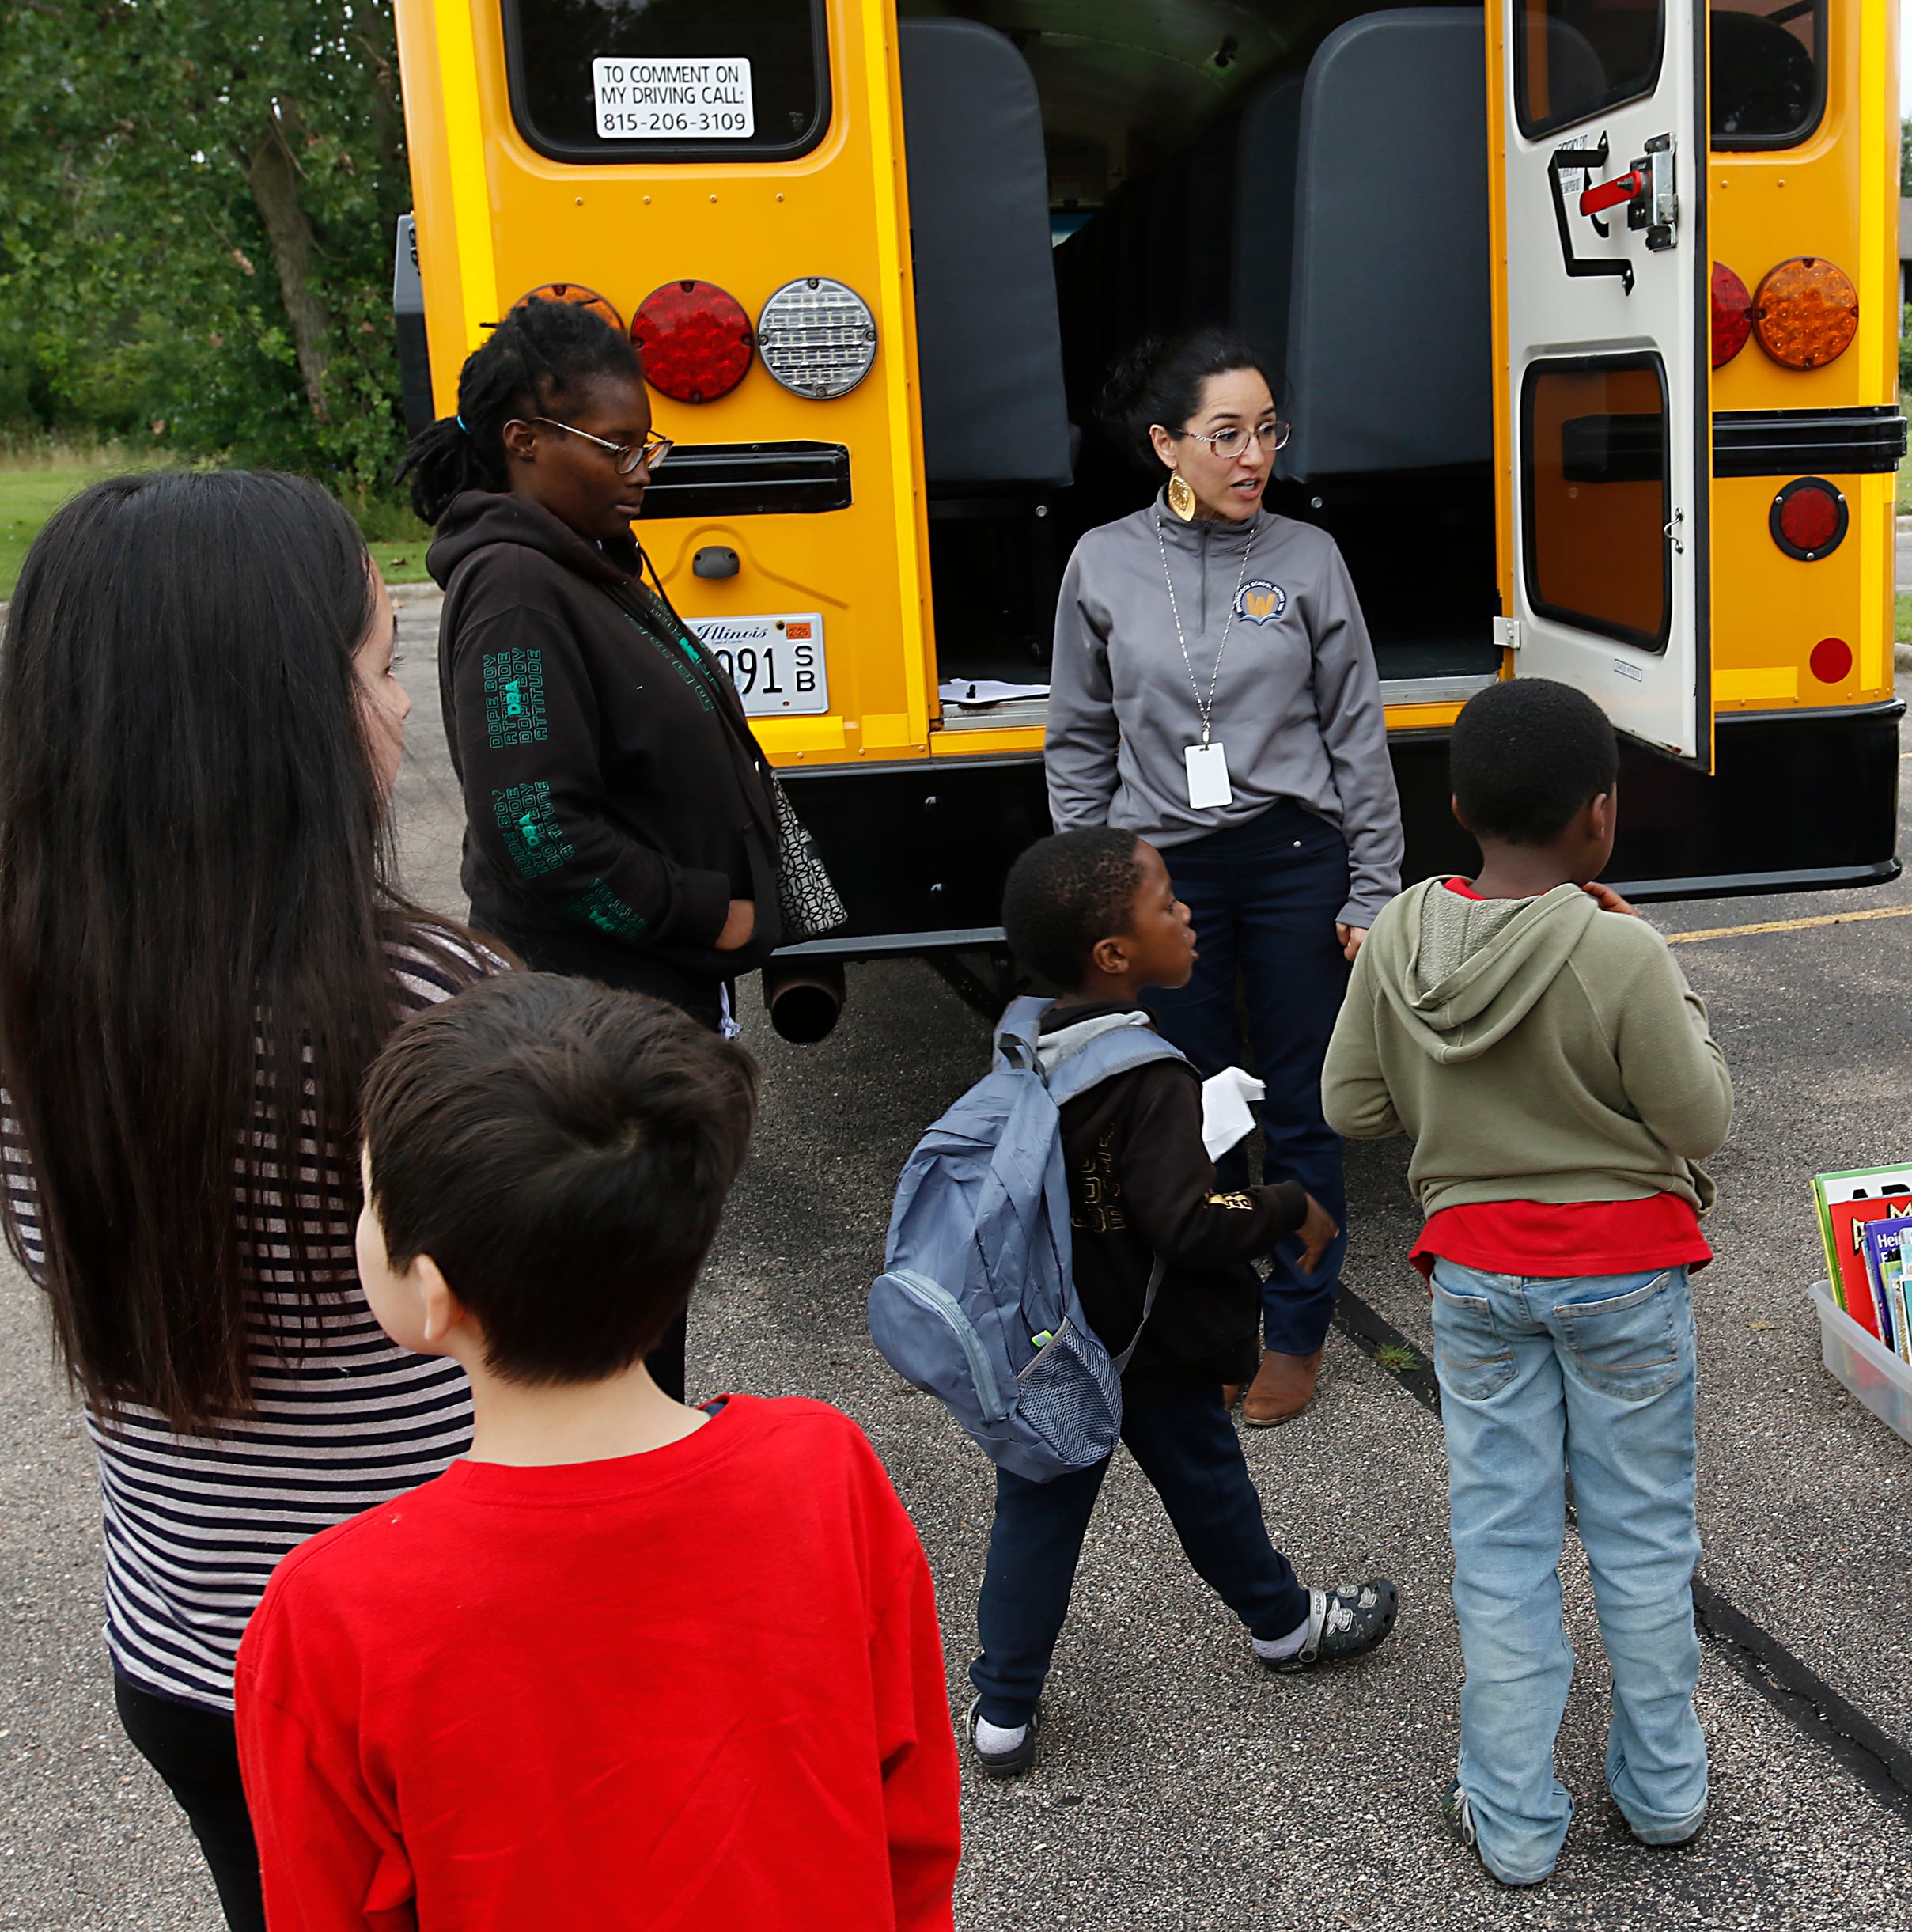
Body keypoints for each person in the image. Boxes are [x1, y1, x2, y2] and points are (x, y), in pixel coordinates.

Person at [0, 471, 498, 1931]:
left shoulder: (28, 999)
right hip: (423, 1667)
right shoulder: (425, 1007)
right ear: (269, 717)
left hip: (188, 1654)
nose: (404, 711)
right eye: (379, 664)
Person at [235, 973, 962, 1929]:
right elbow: (909, 1824)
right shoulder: (824, 1470)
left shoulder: (330, 1613)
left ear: (433, 1293)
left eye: (368, 1198)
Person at [1324, 679, 1732, 1888]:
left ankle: (1508, 1817)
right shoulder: (1619, 946)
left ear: (1456, 806)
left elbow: (1350, 1105)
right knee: (1643, 1540)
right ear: (1600, 818)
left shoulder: (1398, 934)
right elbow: (1699, 1116)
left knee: (1499, 1547)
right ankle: (1662, 1791)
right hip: (1625, 1281)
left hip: (1477, 1280)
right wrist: (1674, 988)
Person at [400, 292, 786, 1400]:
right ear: (524, 443)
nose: (642, 465)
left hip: (644, 999)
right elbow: (536, 830)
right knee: (610, 1305)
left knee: (640, 1299)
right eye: (616, 446)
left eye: (646, 440)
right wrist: (705, 912)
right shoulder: (518, 591)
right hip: (591, 1014)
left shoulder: (582, 556)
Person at [967, 828, 1399, 1776]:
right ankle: (1285, 1628)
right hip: (1150, 1348)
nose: (1187, 913)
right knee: (1208, 1493)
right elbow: (1188, 1221)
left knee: (1036, 1517)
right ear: (1115, 956)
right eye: (1166, 905)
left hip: (1054, 1341)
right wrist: (1290, 1206)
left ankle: (1002, 1712)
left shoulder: (1026, 1035)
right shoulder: (1148, 1074)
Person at [1044, 329, 1403, 1426]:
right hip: (1167, 874)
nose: (1254, 456)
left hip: (1297, 859)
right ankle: (1211, 1320)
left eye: (1267, 431)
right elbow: (1077, 739)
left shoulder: (1306, 559)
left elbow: (1357, 730)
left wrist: (1374, 886)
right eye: (1227, 435)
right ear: (1167, 444)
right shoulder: (1104, 560)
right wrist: (1101, 881)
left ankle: (1295, 1331)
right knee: (1192, 1112)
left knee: (1301, 1104)